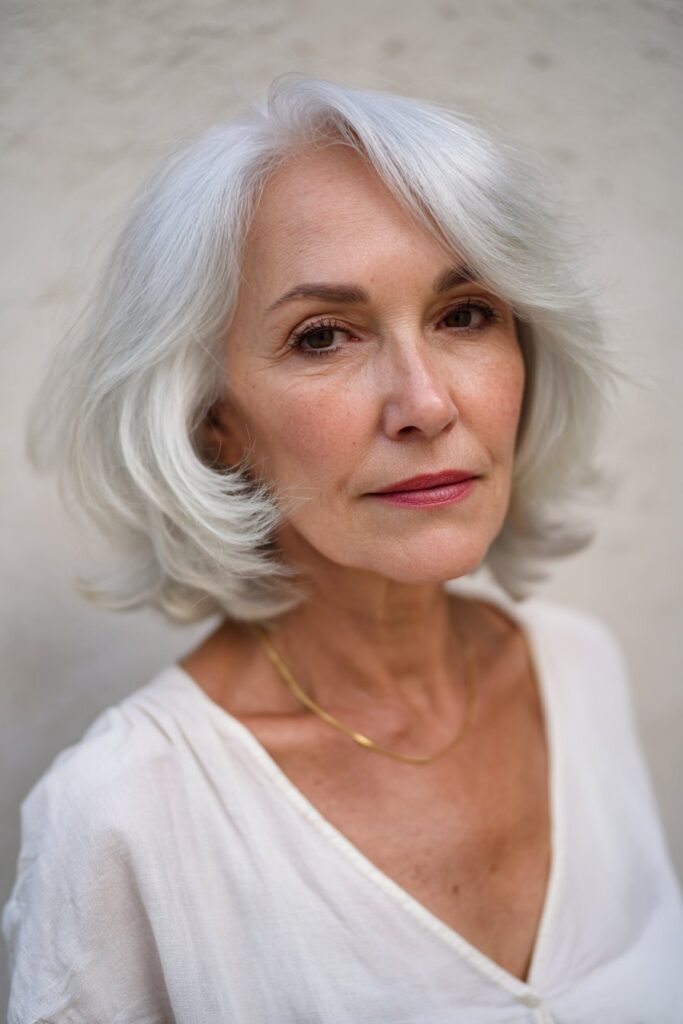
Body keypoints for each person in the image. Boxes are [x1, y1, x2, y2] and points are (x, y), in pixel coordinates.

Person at [3, 75, 681, 1023]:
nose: (426, 404)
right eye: (323, 336)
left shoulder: (578, 670)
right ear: (212, 423)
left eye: (463, 314)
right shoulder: (123, 815)